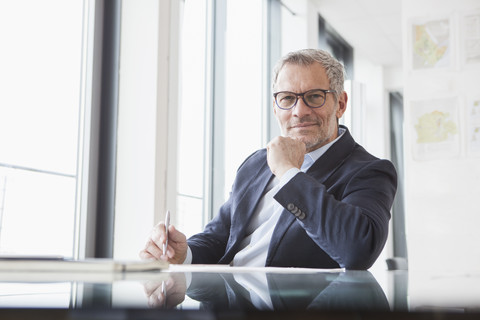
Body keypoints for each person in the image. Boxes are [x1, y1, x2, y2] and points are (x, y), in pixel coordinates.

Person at [140, 48, 397, 270]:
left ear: (340, 104)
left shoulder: (370, 171)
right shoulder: (256, 163)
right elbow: (220, 237)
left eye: (314, 97)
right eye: (287, 98)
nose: (299, 111)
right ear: (275, 107)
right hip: (227, 302)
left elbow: (358, 250)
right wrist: (184, 254)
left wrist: (288, 173)